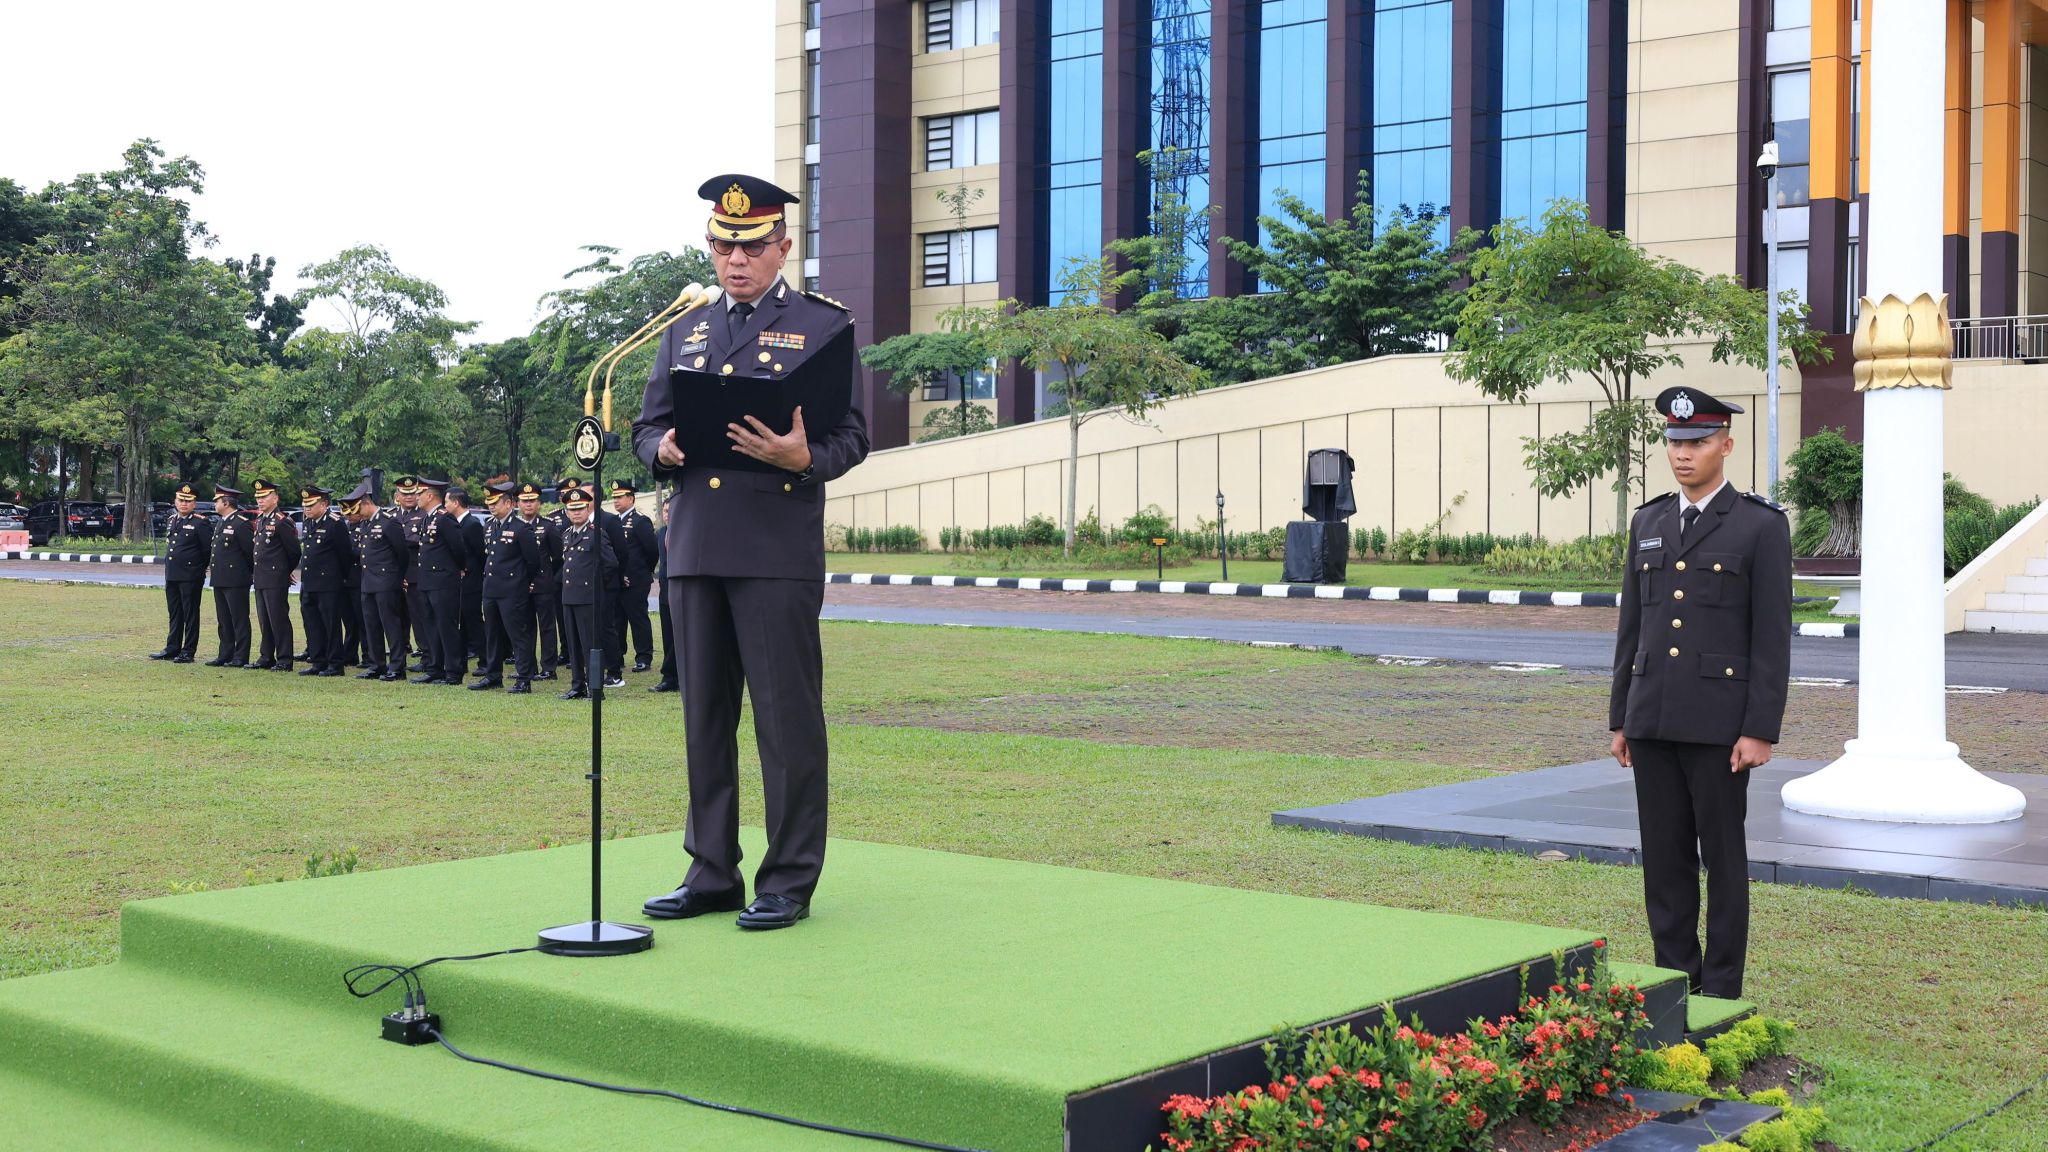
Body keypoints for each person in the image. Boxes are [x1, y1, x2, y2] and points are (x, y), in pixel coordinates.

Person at [634, 173, 870, 931]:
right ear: (710, 247)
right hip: (696, 544)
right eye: (724, 245)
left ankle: (789, 878)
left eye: (752, 247)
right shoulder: (686, 329)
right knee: (703, 718)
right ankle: (711, 871)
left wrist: (805, 458)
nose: (736, 260)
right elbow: (645, 429)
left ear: (783, 248)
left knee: (784, 721)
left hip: (775, 547)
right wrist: (661, 447)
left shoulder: (823, 326)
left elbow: (854, 437)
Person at [1610, 387, 1792, 1001]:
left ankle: (1719, 988)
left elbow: (1770, 639)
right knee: (1664, 862)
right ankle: (1674, 978)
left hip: (1720, 727)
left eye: (1696, 442)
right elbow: (1632, 627)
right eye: (1674, 443)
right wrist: (1621, 718)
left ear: (1726, 445)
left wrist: (1760, 728)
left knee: (1723, 857)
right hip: (1653, 719)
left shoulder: (1759, 526)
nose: (1682, 454)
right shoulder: (1649, 521)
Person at [476, 479, 543, 693]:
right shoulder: (489, 526)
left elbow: (533, 561)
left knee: (518, 635)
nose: (491, 506)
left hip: (513, 591)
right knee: (492, 634)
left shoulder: (520, 528)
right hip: (491, 589)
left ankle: (524, 678)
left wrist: (522, 582)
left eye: (495, 502)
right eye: (489, 502)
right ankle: (493, 675)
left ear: (509, 504)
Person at [556, 485, 617, 701]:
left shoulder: (596, 534)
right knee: (573, 646)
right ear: (566, 511)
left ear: (588, 507)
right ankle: (577, 685)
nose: (576, 512)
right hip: (569, 598)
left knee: (590, 645)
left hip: (588, 598)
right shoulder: (566, 535)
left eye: (580, 508)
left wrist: (597, 589)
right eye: (572, 509)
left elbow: (610, 565)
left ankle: (595, 688)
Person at [344, 482, 407, 681]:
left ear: (366, 503)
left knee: (391, 625)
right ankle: (376, 664)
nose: (357, 516)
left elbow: (402, 553)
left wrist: (396, 578)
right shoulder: (365, 523)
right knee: (371, 625)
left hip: (386, 581)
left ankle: (397, 667)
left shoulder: (389, 521)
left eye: (358, 510)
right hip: (368, 581)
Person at [413, 478, 470, 685]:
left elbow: (458, 549)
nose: (416, 498)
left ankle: (453, 672)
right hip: (428, 581)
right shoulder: (427, 519)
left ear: (430, 496)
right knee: (431, 627)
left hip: (444, 581)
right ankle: (435, 668)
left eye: (420, 494)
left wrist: (458, 569)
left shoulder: (445, 519)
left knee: (447, 627)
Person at [296, 485, 356, 676]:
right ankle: (318, 660)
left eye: (311, 505)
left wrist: (339, 578)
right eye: (305, 505)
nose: (307, 508)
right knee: (312, 624)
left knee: (331, 625)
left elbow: (345, 554)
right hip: (309, 582)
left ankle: (335, 664)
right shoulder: (308, 522)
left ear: (324, 504)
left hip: (329, 583)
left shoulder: (334, 523)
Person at [152, 482, 211, 663]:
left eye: (188, 501)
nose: (184, 504)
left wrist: (200, 569)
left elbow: (207, 550)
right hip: (172, 574)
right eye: (181, 500)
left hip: (191, 575)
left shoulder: (200, 522)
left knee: (190, 613)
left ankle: (188, 651)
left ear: (194, 504)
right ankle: (172, 647)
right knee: (175, 612)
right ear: (175, 501)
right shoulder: (172, 520)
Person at [248, 480, 300, 672]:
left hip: (275, 578)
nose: (260, 501)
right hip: (261, 577)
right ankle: (266, 656)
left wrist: (284, 571)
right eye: (258, 498)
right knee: (264, 619)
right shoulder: (262, 519)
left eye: (264, 497)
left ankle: (285, 659)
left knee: (278, 619)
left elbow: (294, 552)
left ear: (275, 498)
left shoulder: (281, 521)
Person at [612, 480, 660, 672]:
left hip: (636, 579)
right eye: (614, 497)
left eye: (619, 497)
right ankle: (618, 654)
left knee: (637, 618)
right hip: (617, 579)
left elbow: (652, 549)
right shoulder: (615, 521)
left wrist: (642, 571)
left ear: (630, 498)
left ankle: (644, 657)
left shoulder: (640, 520)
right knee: (617, 619)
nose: (615, 500)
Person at [517, 482, 563, 680]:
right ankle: (529, 667)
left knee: (547, 627)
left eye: (532, 501)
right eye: (524, 501)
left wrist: (549, 578)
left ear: (539, 503)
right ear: (518, 503)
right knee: (525, 628)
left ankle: (548, 668)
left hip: (543, 585)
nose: (528, 505)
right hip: (520, 585)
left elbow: (558, 557)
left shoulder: (548, 526)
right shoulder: (514, 526)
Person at [204, 485, 253, 667]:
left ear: (226, 502)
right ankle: (225, 653)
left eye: (217, 501)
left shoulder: (241, 523)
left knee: (239, 619)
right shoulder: (221, 522)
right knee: (223, 620)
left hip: (236, 579)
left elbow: (249, 553)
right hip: (220, 578)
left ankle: (240, 656)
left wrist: (245, 574)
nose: (215, 504)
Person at [448, 487, 487, 673]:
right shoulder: (455, 523)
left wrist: (470, 571)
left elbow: (480, 554)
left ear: (456, 503)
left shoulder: (471, 524)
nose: (445, 505)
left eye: (447, 501)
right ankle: (460, 662)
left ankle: (485, 661)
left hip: (471, 581)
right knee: (460, 623)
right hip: (458, 582)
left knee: (474, 622)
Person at [394, 476, 428, 671]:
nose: (409, 497)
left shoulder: (424, 514)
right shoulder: (391, 515)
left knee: (419, 616)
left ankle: (426, 653)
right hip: (395, 574)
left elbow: (418, 540)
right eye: (404, 494)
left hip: (416, 573)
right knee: (398, 616)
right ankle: (401, 651)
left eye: (412, 493)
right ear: (397, 495)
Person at [649, 496, 678, 693]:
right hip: (665, 592)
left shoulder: (687, 532)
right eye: (665, 511)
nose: (668, 515)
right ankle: (670, 678)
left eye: (671, 511)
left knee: (684, 638)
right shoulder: (661, 533)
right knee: (668, 637)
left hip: (684, 592)